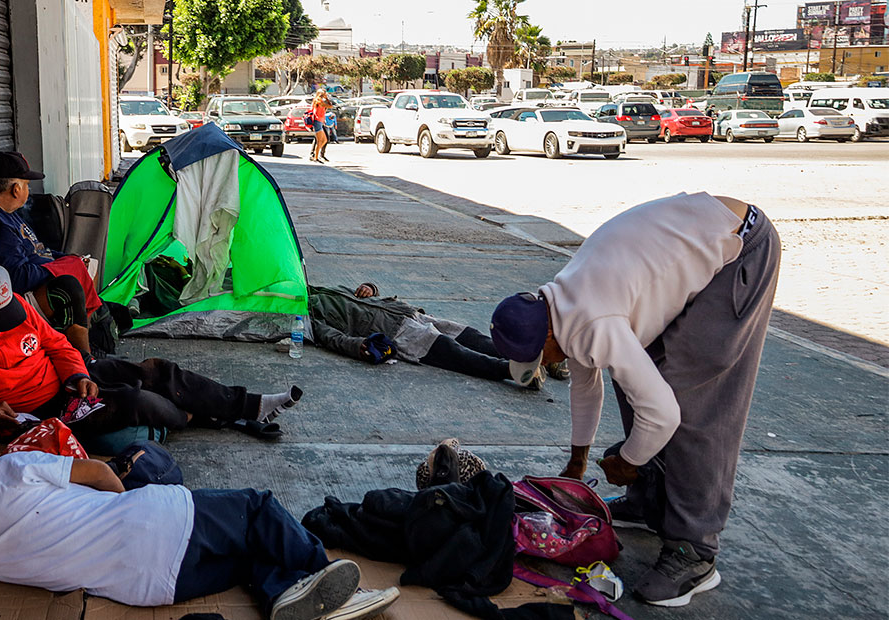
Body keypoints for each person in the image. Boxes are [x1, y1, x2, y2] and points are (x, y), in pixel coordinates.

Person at [488, 192, 781, 607]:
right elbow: (586, 385)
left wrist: (629, 460)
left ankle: (695, 551)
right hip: (695, 238)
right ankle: (648, 501)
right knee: (636, 378)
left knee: (687, 401)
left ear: (548, 334)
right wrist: (577, 461)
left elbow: (663, 415)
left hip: (740, 245)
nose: (545, 364)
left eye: (540, 357)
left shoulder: (593, 320)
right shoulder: (562, 304)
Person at [0, 437, 400, 620]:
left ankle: (283, 597)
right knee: (257, 509)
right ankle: (330, 582)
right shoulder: (5, 471)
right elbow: (99, 473)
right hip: (158, 524)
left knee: (248, 558)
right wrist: (123, 508)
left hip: (153, 588)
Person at [0, 260, 303, 442]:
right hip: (42, 412)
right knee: (135, 400)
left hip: (68, 382)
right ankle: (208, 415)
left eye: (6, 316)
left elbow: (57, 344)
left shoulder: (13, 307)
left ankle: (248, 406)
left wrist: (78, 374)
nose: (3, 327)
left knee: (155, 371)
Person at [0, 151, 101, 356]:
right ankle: (84, 357)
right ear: (16, 189)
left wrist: (67, 260)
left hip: (35, 275)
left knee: (86, 264)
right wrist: (55, 269)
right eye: (26, 185)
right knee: (69, 287)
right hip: (13, 298)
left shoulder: (3, 212)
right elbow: (16, 278)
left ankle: (89, 335)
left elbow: (40, 250)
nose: (27, 191)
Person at [308, 282, 564, 389]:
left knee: (468, 335)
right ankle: (514, 371)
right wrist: (359, 346)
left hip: (406, 312)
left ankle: (539, 358)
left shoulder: (323, 289)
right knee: (452, 351)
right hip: (397, 333)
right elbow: (332, 338)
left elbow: (366, 293)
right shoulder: (309, 314)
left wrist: (369, 287)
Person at [309, 88, 331, 163]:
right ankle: (315, 156)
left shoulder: (321, 101)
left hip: (321, 122)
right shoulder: (318, 101)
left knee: (324, 140)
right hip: (318, 122)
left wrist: (326, 99)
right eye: (324, 93)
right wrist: (326, 99)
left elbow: (328, 107)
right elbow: (330, 106)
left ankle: (316, 154)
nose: (325, 94)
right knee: (319, 140)